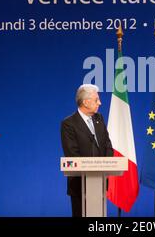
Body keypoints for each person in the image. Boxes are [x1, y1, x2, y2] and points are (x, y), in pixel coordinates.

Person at [60, 84, 114, 217]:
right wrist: (92, 166)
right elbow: (72, 154)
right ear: (85, 102)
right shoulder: (69, 124)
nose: (100, 103)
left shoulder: (99, 119)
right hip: (80, 185)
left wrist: (105, 165)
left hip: (99, 182)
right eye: (96, 100)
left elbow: (108, 145)